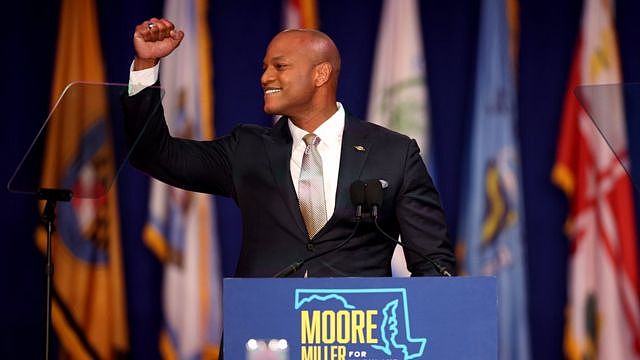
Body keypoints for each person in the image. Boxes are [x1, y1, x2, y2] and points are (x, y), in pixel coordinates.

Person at [123, 17, 455, 277]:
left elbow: (433, 264)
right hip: (265, 332)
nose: (265, 77)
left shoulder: (393, 153)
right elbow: (153, 154)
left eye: (279, 66)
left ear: (321, 74)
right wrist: (145, 66)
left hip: (356, 338)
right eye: (264, 67)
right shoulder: (247, 149)